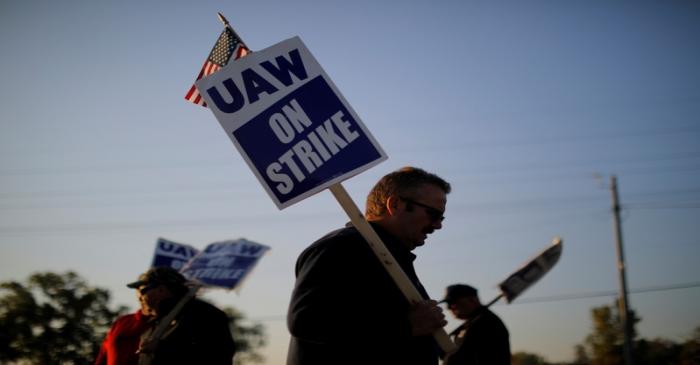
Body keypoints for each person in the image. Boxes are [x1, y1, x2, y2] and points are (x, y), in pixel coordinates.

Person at [286, 166, 451, 365]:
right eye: (433, 214)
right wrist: (405, 326)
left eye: (441, 218)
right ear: (396, 204)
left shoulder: (389, 255)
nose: (437, 225)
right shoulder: (345, 247)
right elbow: (307, 321)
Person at [95, 267, 236, 365]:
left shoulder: (203, 315)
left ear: (162, 290)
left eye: (143, 290)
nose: (139, 296)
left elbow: (214, 356)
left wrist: (162, 349)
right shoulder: (160, 318)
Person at [440, 284, 511, 365]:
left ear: (472, 300)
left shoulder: (486, 324)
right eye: (448, 304)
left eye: (453, 302)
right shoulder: (473, 323)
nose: (449, 307)